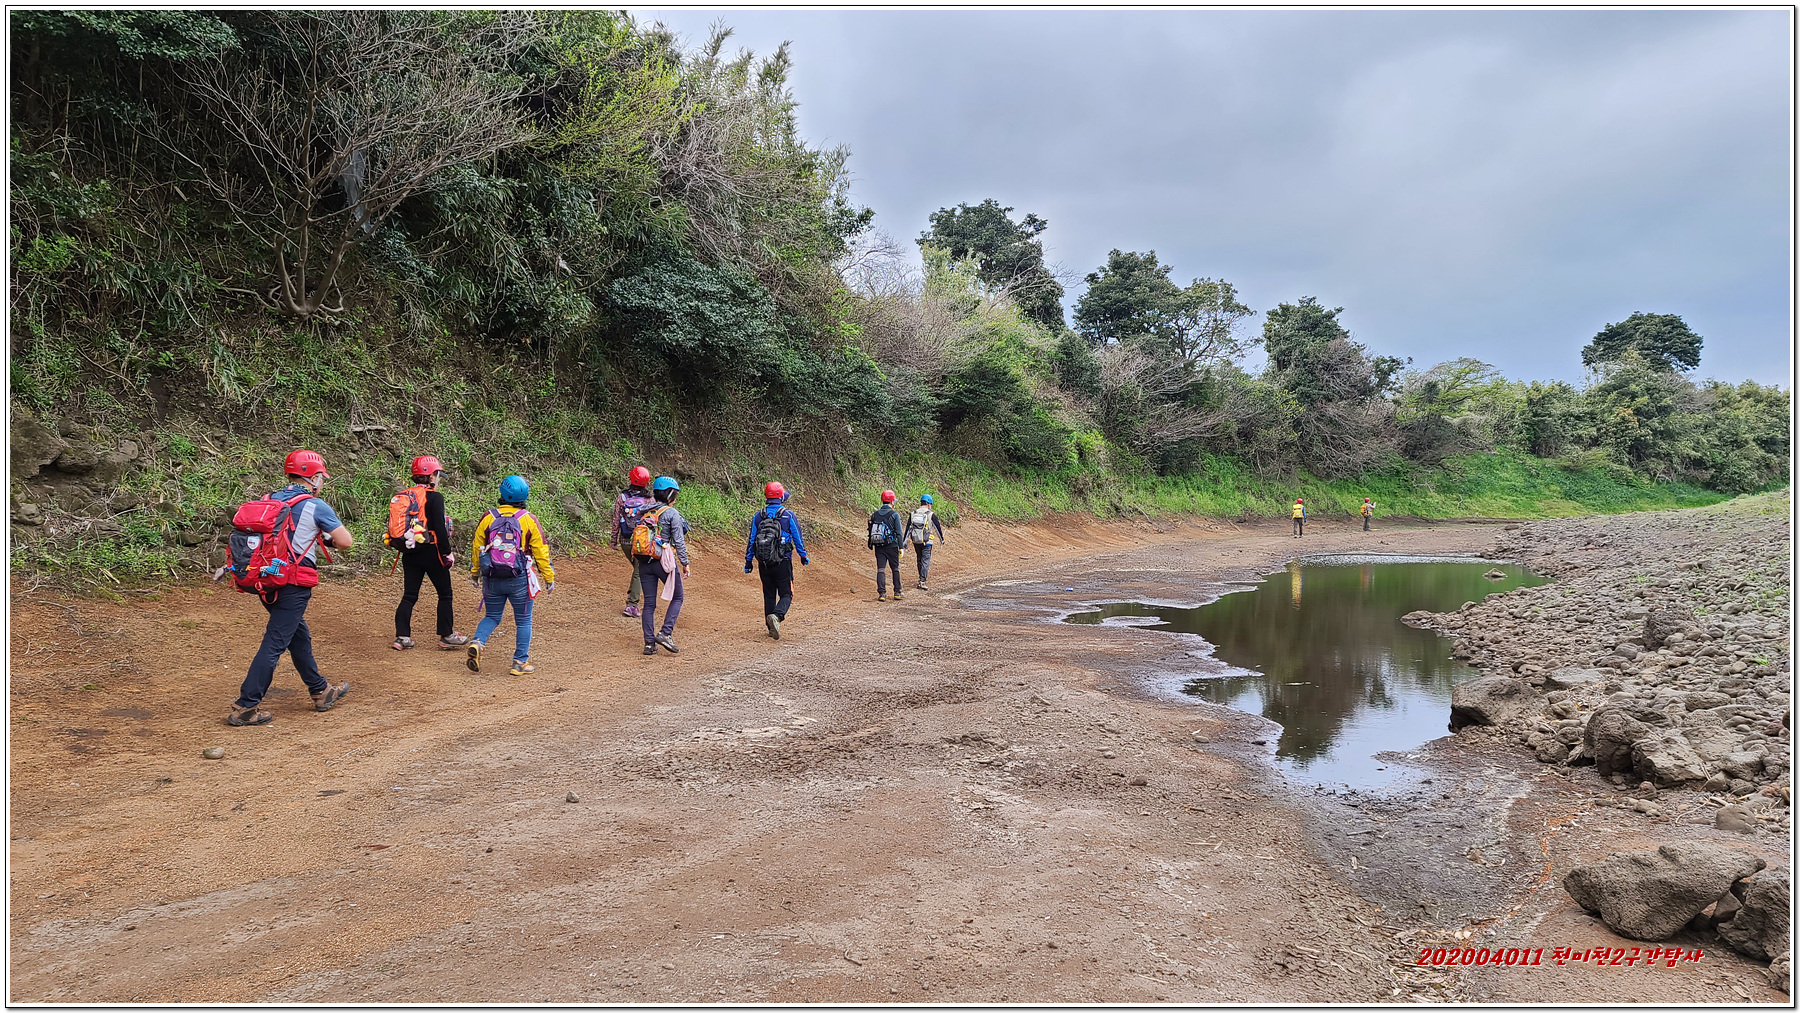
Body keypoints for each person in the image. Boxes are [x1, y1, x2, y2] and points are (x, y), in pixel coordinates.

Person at [226, 449, 353, 726]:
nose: (322, 482)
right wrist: (327, 539)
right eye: (321, 478)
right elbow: (345, 542)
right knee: (275, 642)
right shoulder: (315, 506)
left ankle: (320, 691)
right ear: (314, 478)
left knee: (298, 635)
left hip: (265, 579)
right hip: (293, 583)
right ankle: (246, 705)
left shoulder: (268, 500)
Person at [466, 474, 555, 677]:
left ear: (502, 493)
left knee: (491, 616)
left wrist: (475, 573)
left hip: (492, 576)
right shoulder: (528, 519)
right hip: (519, 578)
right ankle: (519, 662)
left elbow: (477, 547)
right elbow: (541, 551)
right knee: (523, 621)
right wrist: (548, 577)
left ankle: (478, 642)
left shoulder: (488, 517)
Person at [390, 455, 469, 651]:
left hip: (410, 551)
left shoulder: (407, 496)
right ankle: (447, 635)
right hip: (432, 551)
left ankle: (402, 637)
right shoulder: (435, 497)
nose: (438, 478)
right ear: (431, 476)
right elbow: (440, 529)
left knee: (409, 595)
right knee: (445, 594)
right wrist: (447, 553)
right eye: (438, 475)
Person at [744, 480, 810, 640]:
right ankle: (777, 616)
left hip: (764, 562)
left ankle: (770, 628)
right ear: (780, 496)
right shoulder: (788, 515)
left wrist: (748, 561)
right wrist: (803, 556)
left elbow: (752, 540)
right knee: (787, 593)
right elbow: (797, 538)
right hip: (783, 561)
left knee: (769, 594)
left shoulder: (758, 516)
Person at [635, 476, 690, 655]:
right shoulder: (671, 513)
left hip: (644, 562)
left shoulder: (644, 511)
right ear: (670, 495)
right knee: (678, 596)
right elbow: (679, 541)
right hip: (663, 561)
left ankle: (649, 644)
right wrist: (685, 563)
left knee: (649, 604)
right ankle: (666, 633)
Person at [610, 465, 656, 618]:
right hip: (641, 541)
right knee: (640, 570)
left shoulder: (622, 497)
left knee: (639, 569)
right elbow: (653, 521)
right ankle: (632, 605)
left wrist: (613, 540)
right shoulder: (649, 499)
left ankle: (632, 596)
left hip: (625, 540)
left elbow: (616, 520)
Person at [904, 493, 949, 591]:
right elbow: (937, 528)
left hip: (916, 540)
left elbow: (908, 528)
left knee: (919, 559)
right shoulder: (931, 514)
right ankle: (922, 581)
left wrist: (905, 541)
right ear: (928, 504)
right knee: (925, 560)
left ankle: (921, 578)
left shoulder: (913, 513)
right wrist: (942, 539)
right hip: (927, 541)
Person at [868, 489, 905, 601]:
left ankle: (882, 593)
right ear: (892, 501)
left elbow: (870, 530)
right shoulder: (894, 515)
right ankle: (897, 592)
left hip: (879, 546)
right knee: (895, 568)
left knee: (881, 569)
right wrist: (901, 547)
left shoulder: (875, 514)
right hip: (892, 546)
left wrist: (870, 543)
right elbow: (899, 533)